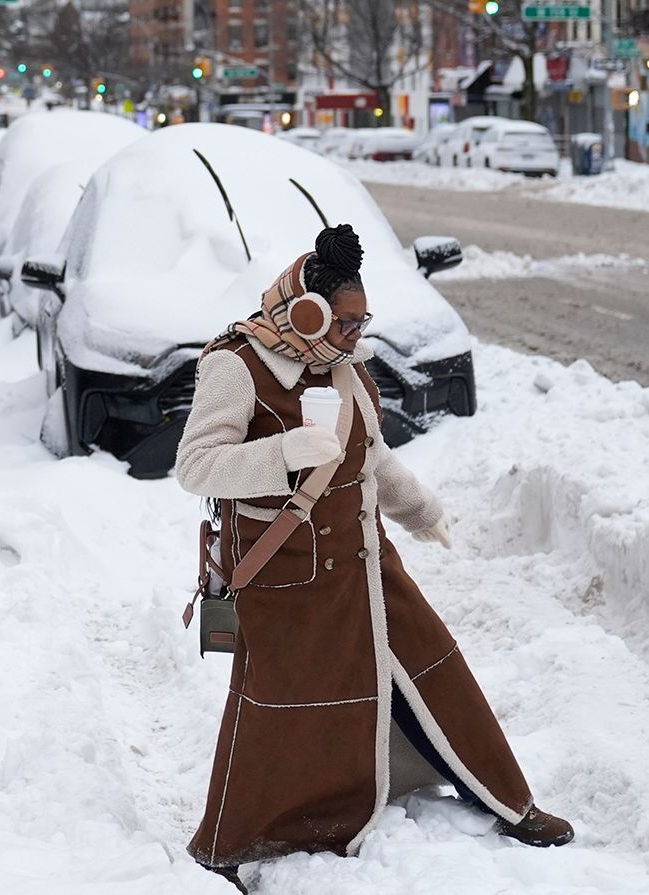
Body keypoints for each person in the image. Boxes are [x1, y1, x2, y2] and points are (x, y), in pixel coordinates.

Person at [174, 224, 572, 891]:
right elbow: (196, 466)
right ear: (308, 312)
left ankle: (502, 797)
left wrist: (421, 509)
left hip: (365, 560)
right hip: (284, 574)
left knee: (430, 667)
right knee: (282, 705)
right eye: (347, 319)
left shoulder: (345, 368)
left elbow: (371, 457)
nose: (359, 333)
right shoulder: (237, 367)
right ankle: (236, 840)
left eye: (365, 319)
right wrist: (279, 455)